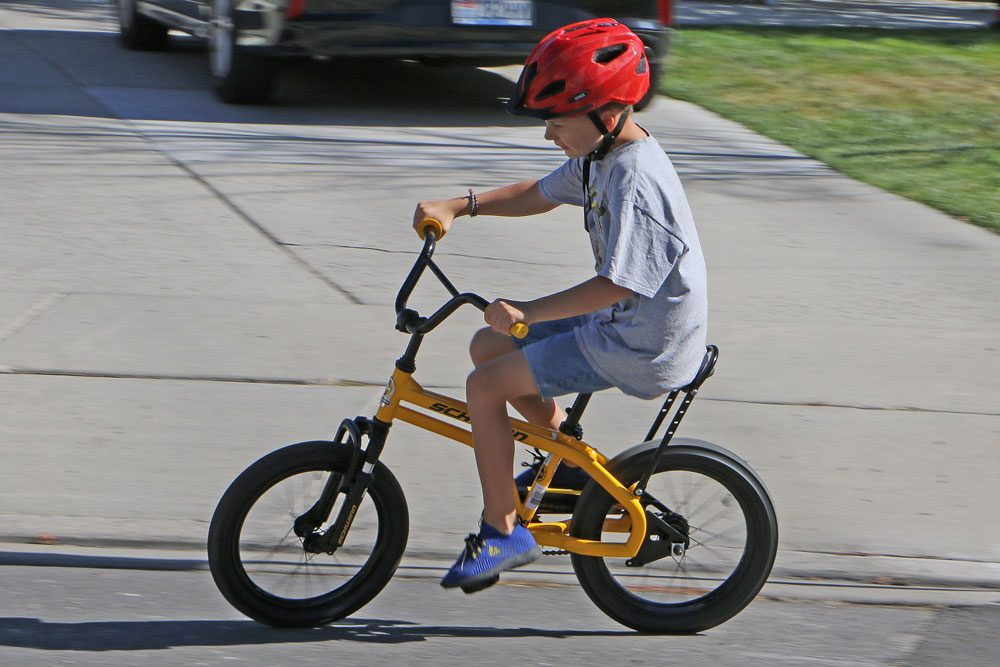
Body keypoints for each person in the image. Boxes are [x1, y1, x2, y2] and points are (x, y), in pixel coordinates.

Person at [412, 18, 708, 592]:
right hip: (622, 324)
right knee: (487, 345)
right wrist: (459, 205)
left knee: (484, 388)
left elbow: (621, 283)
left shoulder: (636, 182)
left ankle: (503, 533)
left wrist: (529, 309)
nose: (549, 134)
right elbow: (541, 193)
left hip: (640, 345)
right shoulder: (604, 155)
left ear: (607, 112)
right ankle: (568, 465)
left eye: (556, 121)